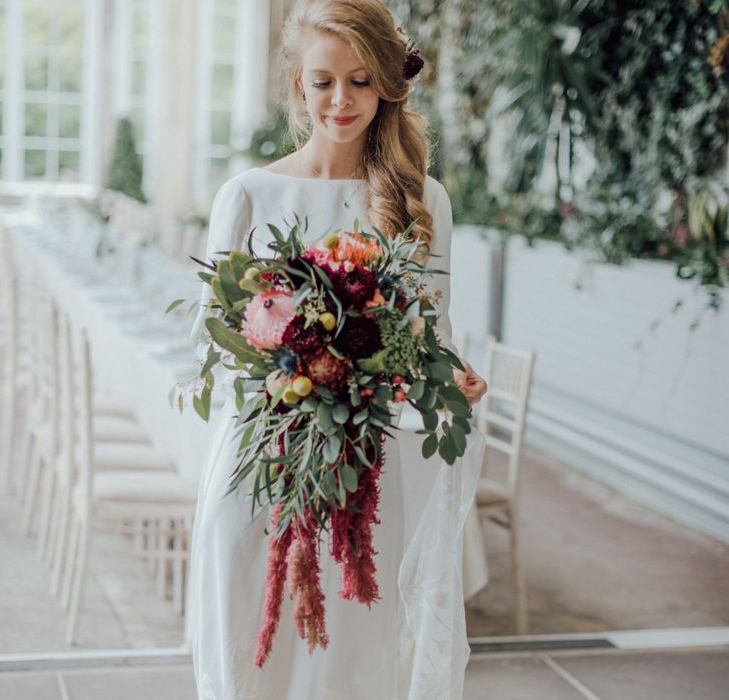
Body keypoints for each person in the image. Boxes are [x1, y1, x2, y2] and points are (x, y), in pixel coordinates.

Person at [188, 1, 487, 697]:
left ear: (386, 82)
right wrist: (297, 363)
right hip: (258, 465)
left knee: (350, 658)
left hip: (366, 476)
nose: (341, 100)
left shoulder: (422, 201)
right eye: (323, 81)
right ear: (298, 82)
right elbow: (216, 343)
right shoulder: (247, 194)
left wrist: (449, 374)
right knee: (251, 652)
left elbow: (429, 338)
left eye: (359, 80)